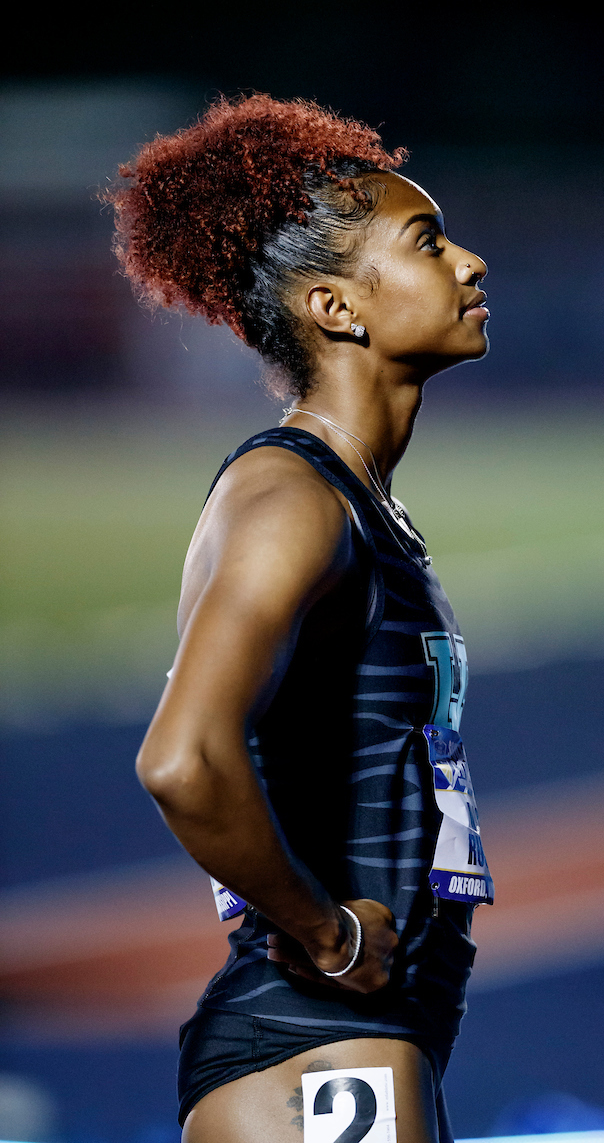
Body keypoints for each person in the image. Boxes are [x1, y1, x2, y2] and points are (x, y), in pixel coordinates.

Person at [106, 92, 493, 1143]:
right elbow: (182, 759)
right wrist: (327, 940)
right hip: (317, 1042)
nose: (470, 264)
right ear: (335, 308)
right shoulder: (290, 497)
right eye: (427, 242)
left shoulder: (359, 505)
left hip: (355, 1039)